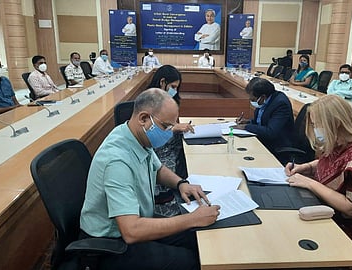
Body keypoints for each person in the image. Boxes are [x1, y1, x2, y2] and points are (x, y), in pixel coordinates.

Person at [79, 88, 219, 269]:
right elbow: (131, 231)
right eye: (166, 126)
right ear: (144, 119)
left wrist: (181, 183)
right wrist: (192, 218)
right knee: (190, 261)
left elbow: (157, 168)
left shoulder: (135, 135)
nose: (170, 132)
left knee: (196, 239)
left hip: (137, 220)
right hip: (112, 243)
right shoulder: (117, 161)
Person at [285, 95, 352, 270]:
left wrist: (309, 183)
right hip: (335, 213)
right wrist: (306, 167)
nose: (315, 129)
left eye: (317, 124)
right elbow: (330, 162)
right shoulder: (341, 142)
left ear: (335, 123)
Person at [146, 65, 194, 217]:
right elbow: (148, 134)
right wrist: (174, 128)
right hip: (158, 154)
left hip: (173, 149)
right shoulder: (147, 102)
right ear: (162, 82)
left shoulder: (167, 101)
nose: (175, 91)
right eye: (173, 87)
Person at [233, 77, 295, 163]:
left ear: (262, 97)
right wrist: (248, 121)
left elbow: (271, 132)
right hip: (263, 141)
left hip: (276, 147)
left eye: (253, 100)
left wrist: (246, 127)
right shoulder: (265, 100)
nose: (251, 101)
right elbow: (261, 122)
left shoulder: (280, 103)